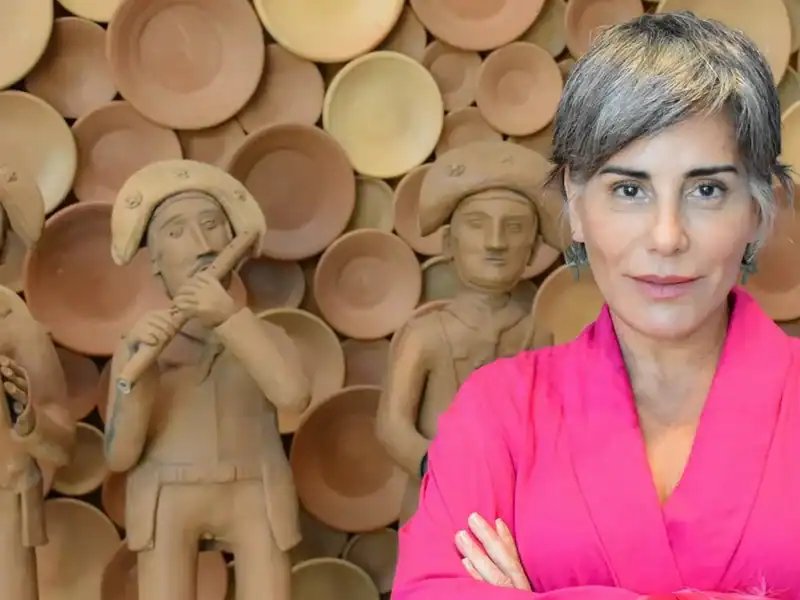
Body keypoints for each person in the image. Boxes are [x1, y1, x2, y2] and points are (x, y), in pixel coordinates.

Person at [392, 11, 798, 600]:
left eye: (706, 190)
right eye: (629, 190)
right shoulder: (497, 412)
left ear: (758, 212)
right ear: (576, 207)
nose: (666, 237)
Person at [104, 160, 310, 600]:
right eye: (176, 231)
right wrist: (139, 374)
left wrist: (231, 321)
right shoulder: (139, 345)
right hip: (167, 493)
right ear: (156, 264)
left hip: (255, 489)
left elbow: (294, 396)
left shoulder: (267, 335)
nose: (202, 245)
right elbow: (120, 456)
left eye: (212, 225)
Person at [376, 141, 566, 525]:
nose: (495, 243)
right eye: (477, 224)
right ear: (449, 244)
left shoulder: (536, 336)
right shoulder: (427, 335)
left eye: (514, 227)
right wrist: (437, 468)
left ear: (532, 251)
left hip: (510, 513)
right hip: (433, 508)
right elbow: (393, 426)